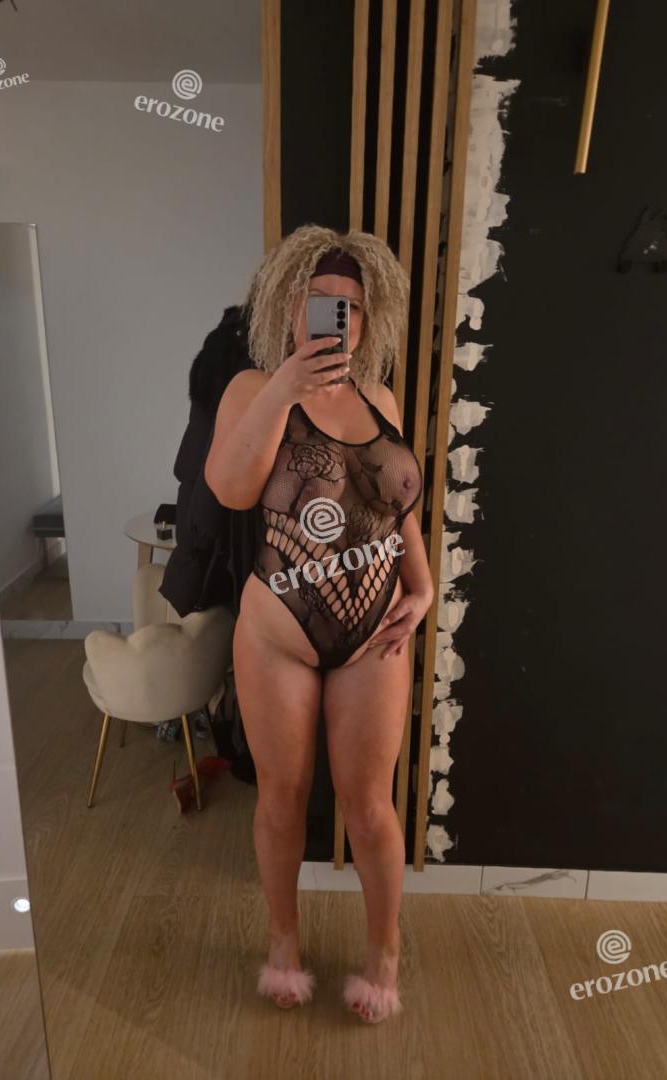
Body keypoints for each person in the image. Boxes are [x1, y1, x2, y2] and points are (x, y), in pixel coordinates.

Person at [205, 224, 434, 1024]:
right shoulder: (251, 387)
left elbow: (397, 503)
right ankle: (283, 942)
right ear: (288, 307)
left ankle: (384, 950)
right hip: (279, 632)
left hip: (373, 635)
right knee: (283, 796)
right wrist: (283, 389)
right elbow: (231, 489)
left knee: (369, 804)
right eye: (321, 301)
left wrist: (423, 584)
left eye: (353, 306)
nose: (339, 317)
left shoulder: (381, 398)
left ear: (370, 321)